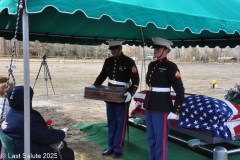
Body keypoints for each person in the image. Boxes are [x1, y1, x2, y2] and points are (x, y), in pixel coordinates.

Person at [93, 40, 140, 158]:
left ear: (120, 48)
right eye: (111, 49)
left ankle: (118, 149)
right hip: (110, 96)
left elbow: (135, 80)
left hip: (122, 97)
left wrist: (130, 93)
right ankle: (111, 147)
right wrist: (94, 87)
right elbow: (102, 76)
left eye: (115, 49)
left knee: (121, 124)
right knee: (111, 122)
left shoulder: (129, 62)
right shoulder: (108, 61)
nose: (113, 51)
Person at [2, 86, 75, 160]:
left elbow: (38, 133)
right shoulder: (27, 119)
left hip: (19, 149)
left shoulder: (13, 111)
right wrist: (62, 133)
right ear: (25, 99)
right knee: (67, 152)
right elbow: (45, 137)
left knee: (62, 144)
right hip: (29, 154)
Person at [143, 37, 185, 160]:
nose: (155, 51)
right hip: (149, 105)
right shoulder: (152, 65)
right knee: (151, 138)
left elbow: (180, 90)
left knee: (160, 140)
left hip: (162, 107)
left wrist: (176, 110)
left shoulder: (171, 67)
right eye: (155, 48)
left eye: (158, 49)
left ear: (166, 50)